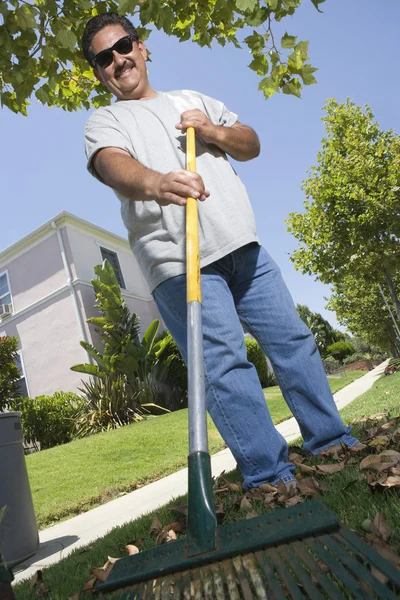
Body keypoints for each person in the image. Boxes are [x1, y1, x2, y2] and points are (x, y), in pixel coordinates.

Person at [82, 12, 359, 491]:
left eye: (123, 46)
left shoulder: (192, 100)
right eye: (104, 58)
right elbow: (112, 165)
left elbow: (249, 143)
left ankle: (331, 440)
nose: (118, 60)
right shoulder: (104, 120)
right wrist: (157, 181)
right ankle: (270, 475)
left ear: (141, 47)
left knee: (293, 342)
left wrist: (211, 131)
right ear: (99, 72)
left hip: (242, 245)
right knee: (226, 366)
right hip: (179, 259)